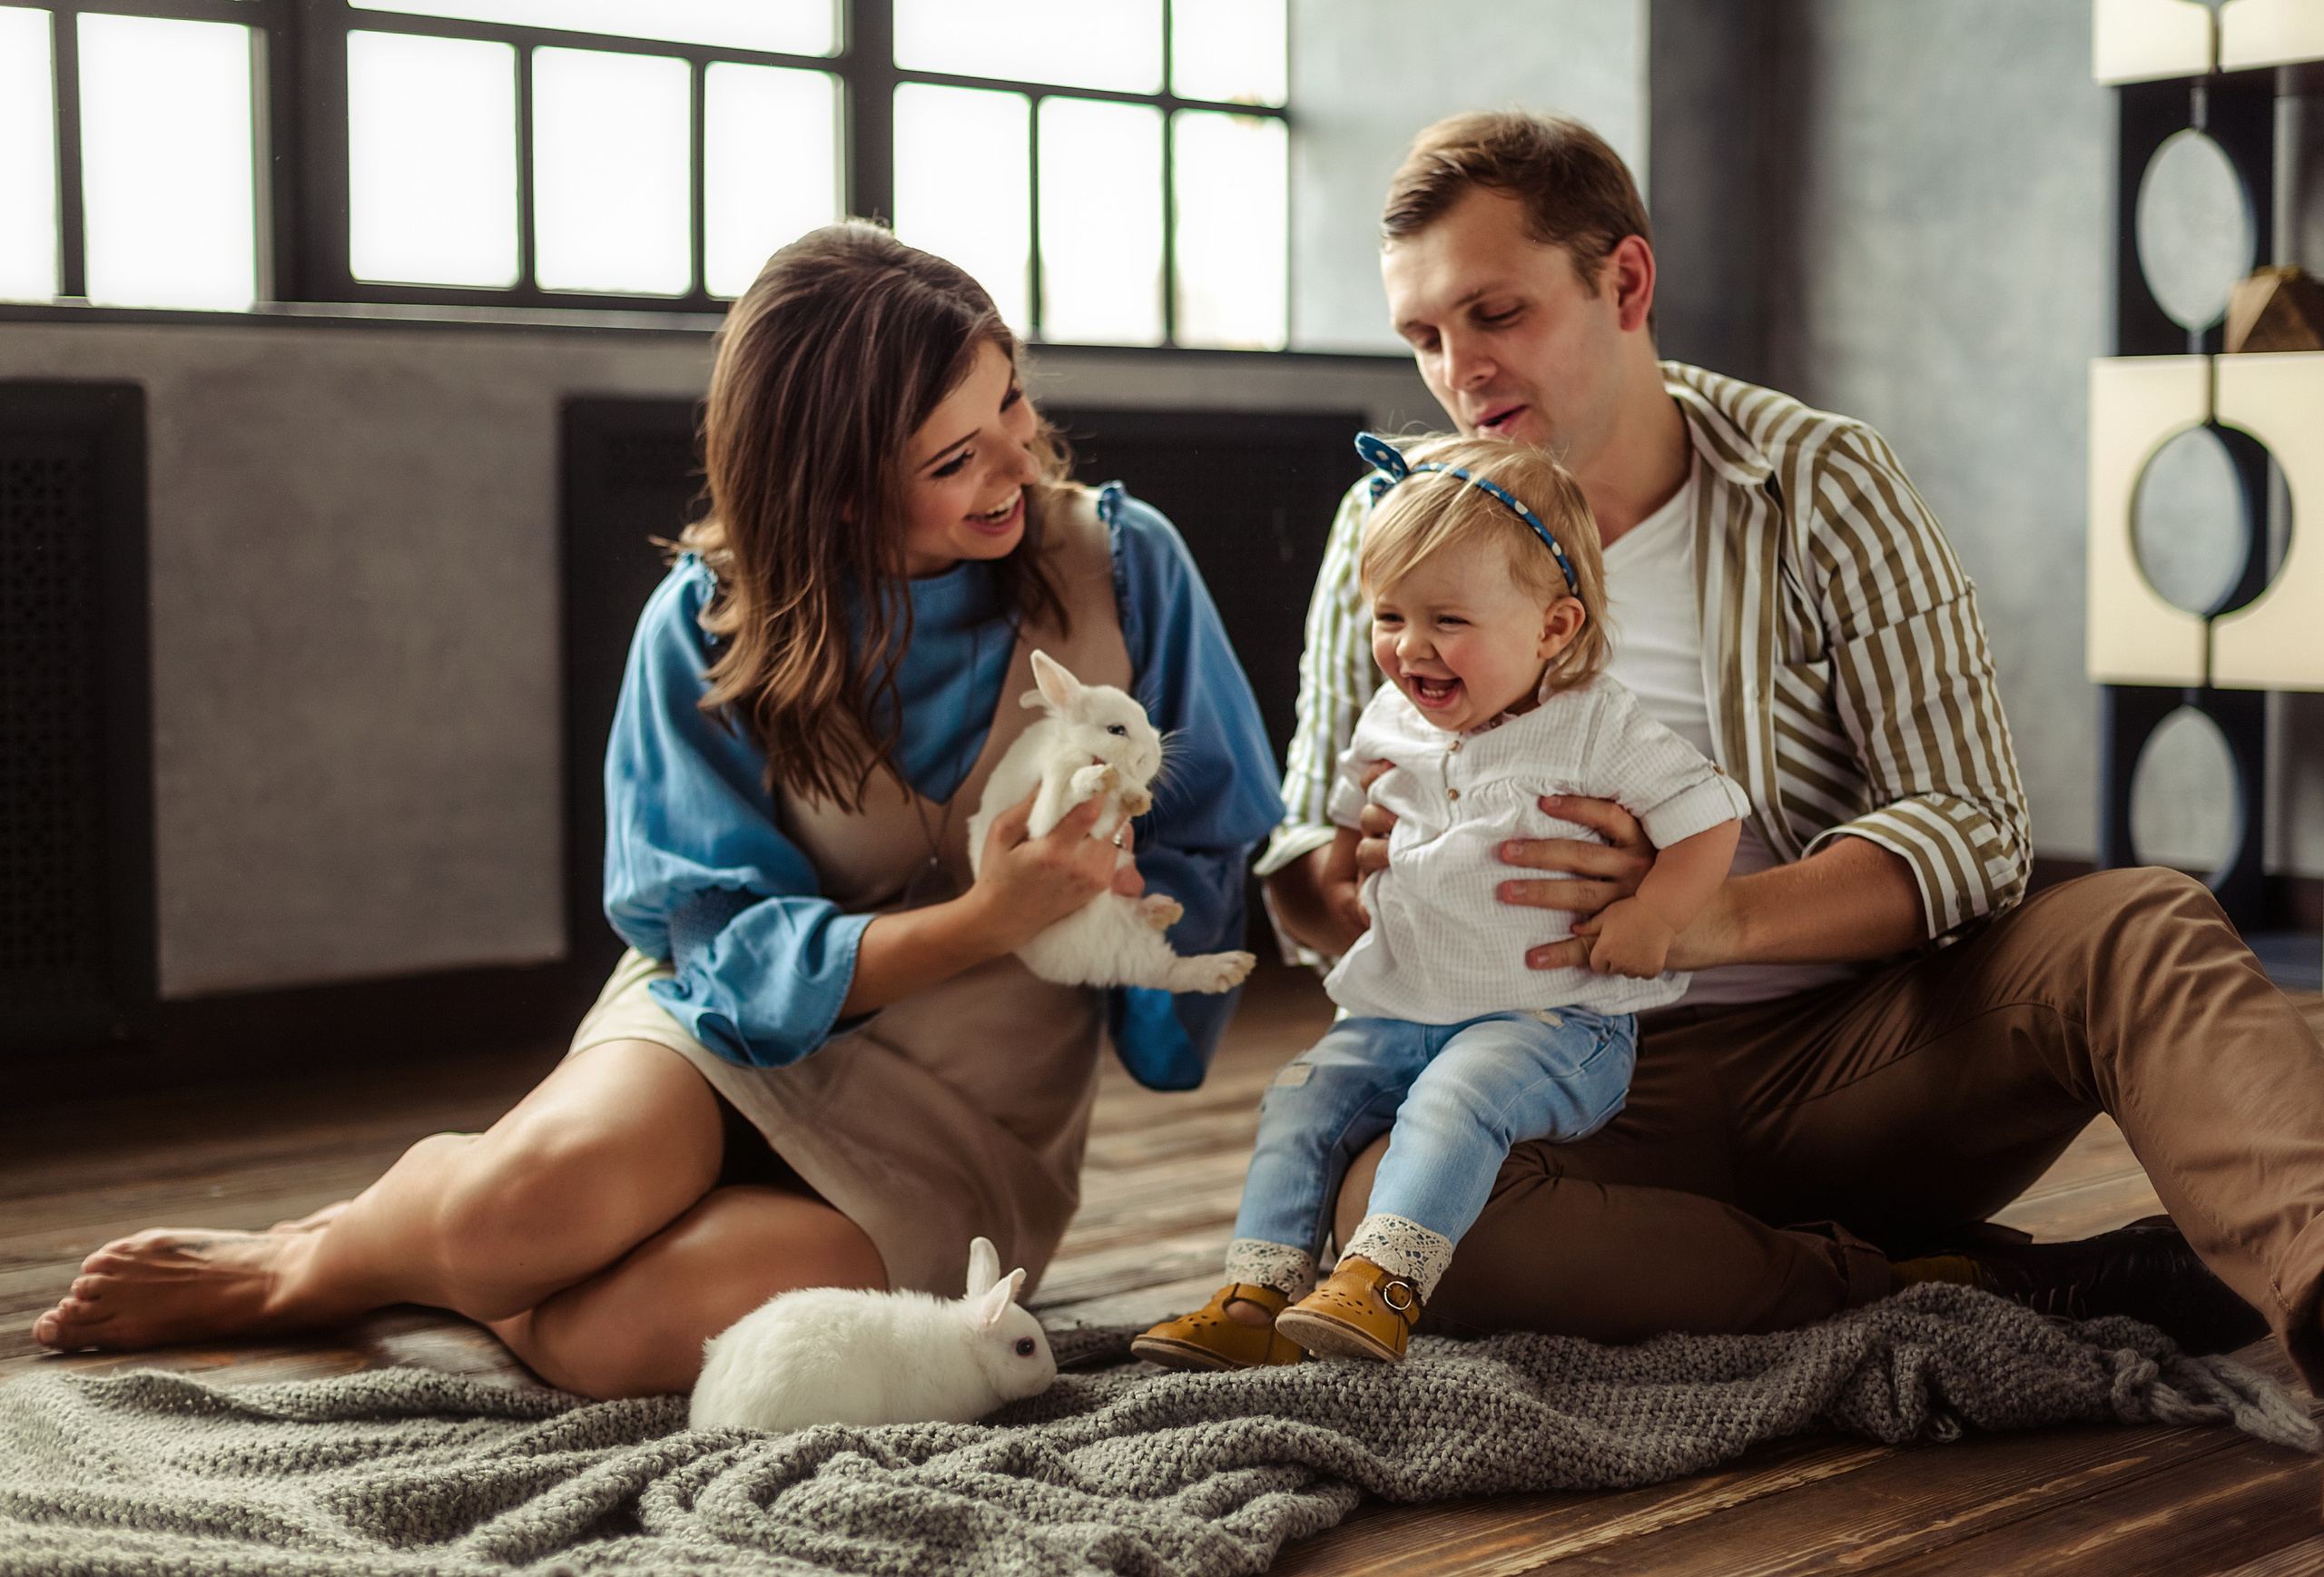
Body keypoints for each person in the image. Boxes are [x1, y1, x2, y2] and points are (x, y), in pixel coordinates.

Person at [31, 223, 1282, 1399]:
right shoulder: (707, 616)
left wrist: (1147, 927)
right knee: (521, 1213)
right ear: (838, 492)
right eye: (954, 458)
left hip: (970, 1122)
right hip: (721, 1037)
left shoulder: (1127, 567)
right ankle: (321, 1261)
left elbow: (1208, 841)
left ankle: (456, 1257)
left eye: (1008, 401)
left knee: (621, 1336)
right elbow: (719, 954)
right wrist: (986, 919)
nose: (1017, 462)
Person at [1263, 111, 2298, 1369]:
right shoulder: (1387, 526)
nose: (1459, 371)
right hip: (1548, 1080)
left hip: (1850, 1055)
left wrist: (1702, 916)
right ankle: (1959, 1289)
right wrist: (1346, 881)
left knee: (2137, 927)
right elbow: (1301, 854)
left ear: (1625, 282)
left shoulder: (1819, 479)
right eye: (1424, 336)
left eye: (1496, 314)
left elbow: (1973, 825)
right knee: (1388, 1221)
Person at [1135, 433, 1743, 1369]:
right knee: (1302, 1096)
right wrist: (1347, 878)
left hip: (1554, 1020)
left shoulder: (1597, 726)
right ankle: (1259, 1295)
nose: (1410, 648)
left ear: (1553, 628)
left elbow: (1708, 814)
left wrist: (1657, 915)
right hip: (1400, 1010)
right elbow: (1353, 804)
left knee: (1457, 1096)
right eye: (1389, 615)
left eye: (1448, 621)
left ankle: (1383, 1284)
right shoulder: (1394, 715)